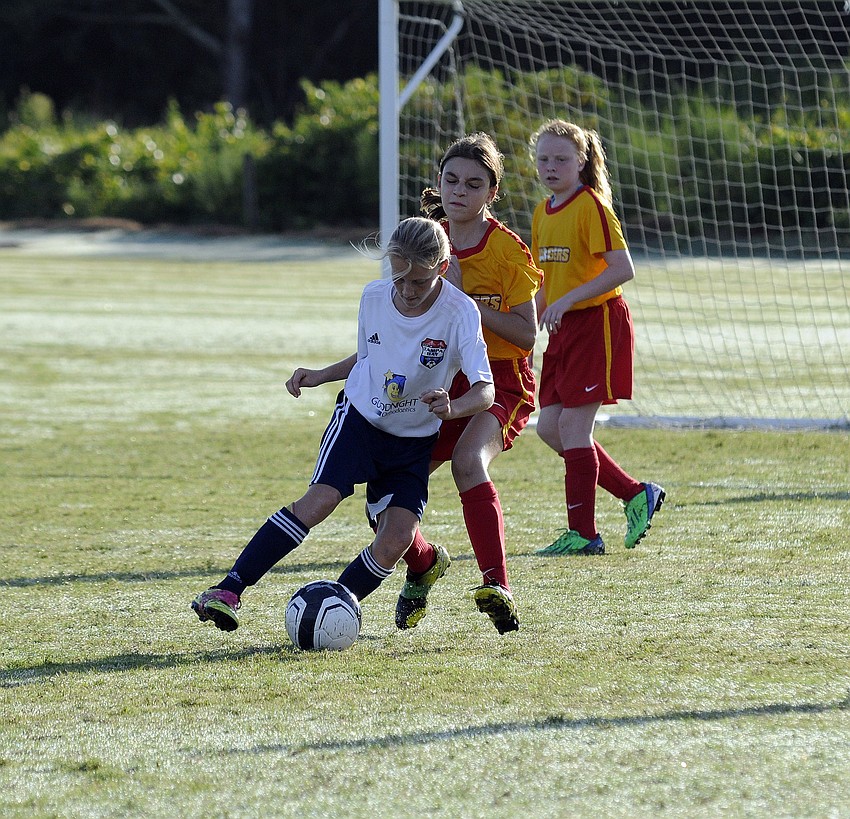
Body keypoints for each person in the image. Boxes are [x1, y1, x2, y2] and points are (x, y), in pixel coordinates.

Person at [191, 217, 495, 632]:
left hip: (414, 441)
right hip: (359, 422)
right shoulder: (373, 297)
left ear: (442, 268)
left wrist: (453, 406)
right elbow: (369, 358)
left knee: (396, 538)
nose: (407, 291)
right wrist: (320, 375)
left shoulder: (460, 312)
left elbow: (485, 391)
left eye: (419, 282)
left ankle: (331, 608)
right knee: (319, 501)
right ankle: (227, 590)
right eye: (399, 278)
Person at [394, 132, 542, 635]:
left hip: (497, 380)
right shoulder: (425, 240)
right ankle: (422, 564)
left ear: (492, 192)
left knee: (468, 461)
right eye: (451, 180)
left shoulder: (507, 250)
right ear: (439, 182)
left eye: (473, 184)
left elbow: (526, 334)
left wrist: (463, 301)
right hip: (437, 377)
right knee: (391, 486)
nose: (459, 191)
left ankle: (497, 585)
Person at [529, 119, 665, 556]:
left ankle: (584, 534)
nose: (551, 167)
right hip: (563, 328)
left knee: (573, 427)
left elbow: (623, 268)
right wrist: (526, 334)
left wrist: (568, 300)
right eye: (544, 159)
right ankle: (634, 493)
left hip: (597, 324)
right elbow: (545, 282)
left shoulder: (591, 206)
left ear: (582, 160)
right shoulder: (541, 212)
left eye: (561, 159)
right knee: (550, 428)